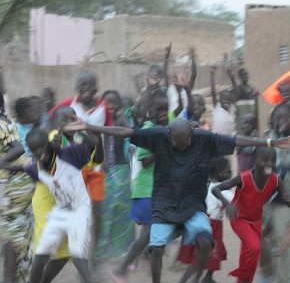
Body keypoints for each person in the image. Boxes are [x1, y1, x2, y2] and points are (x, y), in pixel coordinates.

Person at [62, 116, 290, 283]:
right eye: (174, 140)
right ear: (169, 134)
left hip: (192, 203)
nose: (178, 144)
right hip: (164, 201)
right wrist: (88, 126)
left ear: (191, 135)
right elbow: (126, 132)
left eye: (183, 140)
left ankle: (195, 278)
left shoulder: (203, 139)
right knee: (156, 249)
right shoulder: (160, 136)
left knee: (205, 242)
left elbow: (235, 140)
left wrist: (270, 143)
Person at [3, 125, 103, 283]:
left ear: (48, 143)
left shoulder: (69, 155)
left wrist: (78, 128)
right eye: (34, 150)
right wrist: (4, 164)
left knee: (76, 251)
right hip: (60, 212)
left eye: (42, 147)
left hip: (79, 210)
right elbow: (20, 168)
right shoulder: (35, 166)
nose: (39, 152)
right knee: (41, 254)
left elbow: (93, 141)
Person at [110, 89, 178, 282]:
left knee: (154, 232)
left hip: (160, 190)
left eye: (166, 109)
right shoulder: (147, 129)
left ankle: (142, 259)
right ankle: (122, 269)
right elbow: (146, 161)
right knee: (148, 232)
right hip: (146, 189)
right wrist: (164, 151)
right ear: (150, 110)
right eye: (159, 110)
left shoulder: (168, 125)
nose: (164, 113)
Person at [50, 71, 113, 268]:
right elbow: (51, 120)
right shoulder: (69, 104)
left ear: (97, 87)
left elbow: (108, 133)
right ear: (77, 87)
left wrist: (107, 157)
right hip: (73, 168)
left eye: (90, 85)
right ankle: (73, 249)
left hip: (95, 166)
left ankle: (95, 252)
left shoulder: (104, 107)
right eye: (82, 85)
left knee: (97, 210)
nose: (86, 88)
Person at [212, 147, 290, 283]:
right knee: (254, 246)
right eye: (265, 160)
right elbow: (216, 189)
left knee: (250, 252)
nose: (269, 164)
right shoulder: (243, 178)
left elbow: (286, 198)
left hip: (256, 221)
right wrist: (228, 204)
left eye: (273, 160)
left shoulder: (275, 180)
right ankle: (242, 277)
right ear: (254, 160)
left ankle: (244, 280)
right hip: (239, 218)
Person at [178, 157, 233, 283]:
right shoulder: (221, 189)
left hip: (198, 222)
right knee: (200, 258)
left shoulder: (205, 183)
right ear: (219, 172)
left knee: (213, 252)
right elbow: (234, 202)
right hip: (212, 226)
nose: (230, 173)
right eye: (228, 170)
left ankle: (208, 278)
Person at [0, 93, 35, 283]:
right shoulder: (6, 122)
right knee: (15, 234)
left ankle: (9, 277)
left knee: (13, 235)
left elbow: (18, 148)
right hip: (17, 181)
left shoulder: (1, 124)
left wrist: (2, 162)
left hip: (12, 185)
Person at [96, 89, 134, 259]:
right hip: (104, 172)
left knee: (122, 209)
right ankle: (104, 246)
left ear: (120, 105)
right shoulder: (99, 120)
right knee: (105, 210)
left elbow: (132, 131)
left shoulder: (120, 119)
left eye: (114, 102)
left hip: (122, 170)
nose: (110, 105)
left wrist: (122, 117)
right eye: (107, 102)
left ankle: (122, 247)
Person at [259, 102, 290, 283]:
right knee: (259, 238)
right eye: (278, 117)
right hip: (265, 197)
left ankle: (283, 279)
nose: (281, 121)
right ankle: (267, 274)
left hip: (284, 201)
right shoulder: (268, 137)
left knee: (283, 241)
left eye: (286, 117)